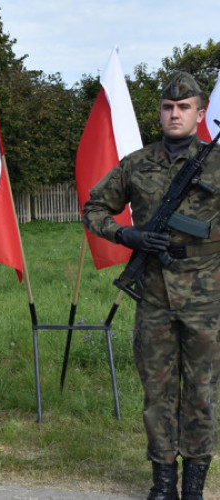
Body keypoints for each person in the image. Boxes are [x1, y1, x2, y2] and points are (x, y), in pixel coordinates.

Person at [83, 71, 220, 500]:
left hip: (207, 298)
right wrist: (128, 236)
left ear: (200, 113)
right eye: (167, 107)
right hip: (155, 295)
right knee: (157, 392)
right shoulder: (136, 163)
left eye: (183, 107)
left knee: (201, 392)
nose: (174, 114)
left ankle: (194, 485)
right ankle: (163, 482)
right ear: (159, 112)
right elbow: (93, 207)